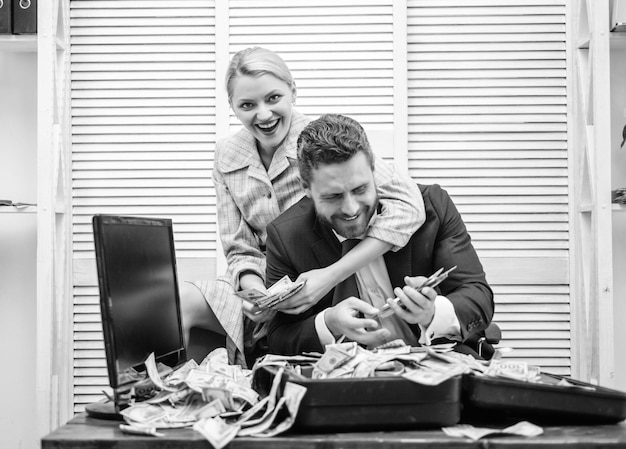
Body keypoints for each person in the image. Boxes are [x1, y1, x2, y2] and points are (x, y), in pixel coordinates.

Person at [181, 47, 426, 367]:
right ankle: (153, 401)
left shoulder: (319, 145)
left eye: (273, 98)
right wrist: (255, 292)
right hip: (263, 285)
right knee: (176, 302)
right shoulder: (226, 156)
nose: (264, 115)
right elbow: (239, 246)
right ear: (232, 107)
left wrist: (330, 275)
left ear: (292, 90)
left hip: (318, 275)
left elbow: (410, 207)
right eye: (247, 105)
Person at [265, 114, 494, 356]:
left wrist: (433, 311)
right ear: (306, 187)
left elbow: (478, 296)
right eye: (333, 196)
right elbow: (279, 338)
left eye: (360, 189)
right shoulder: (286, 236)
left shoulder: (433, 207)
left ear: (374, 170)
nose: (351, 209)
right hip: (344, 387)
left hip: (441, 374)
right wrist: (327, 323)